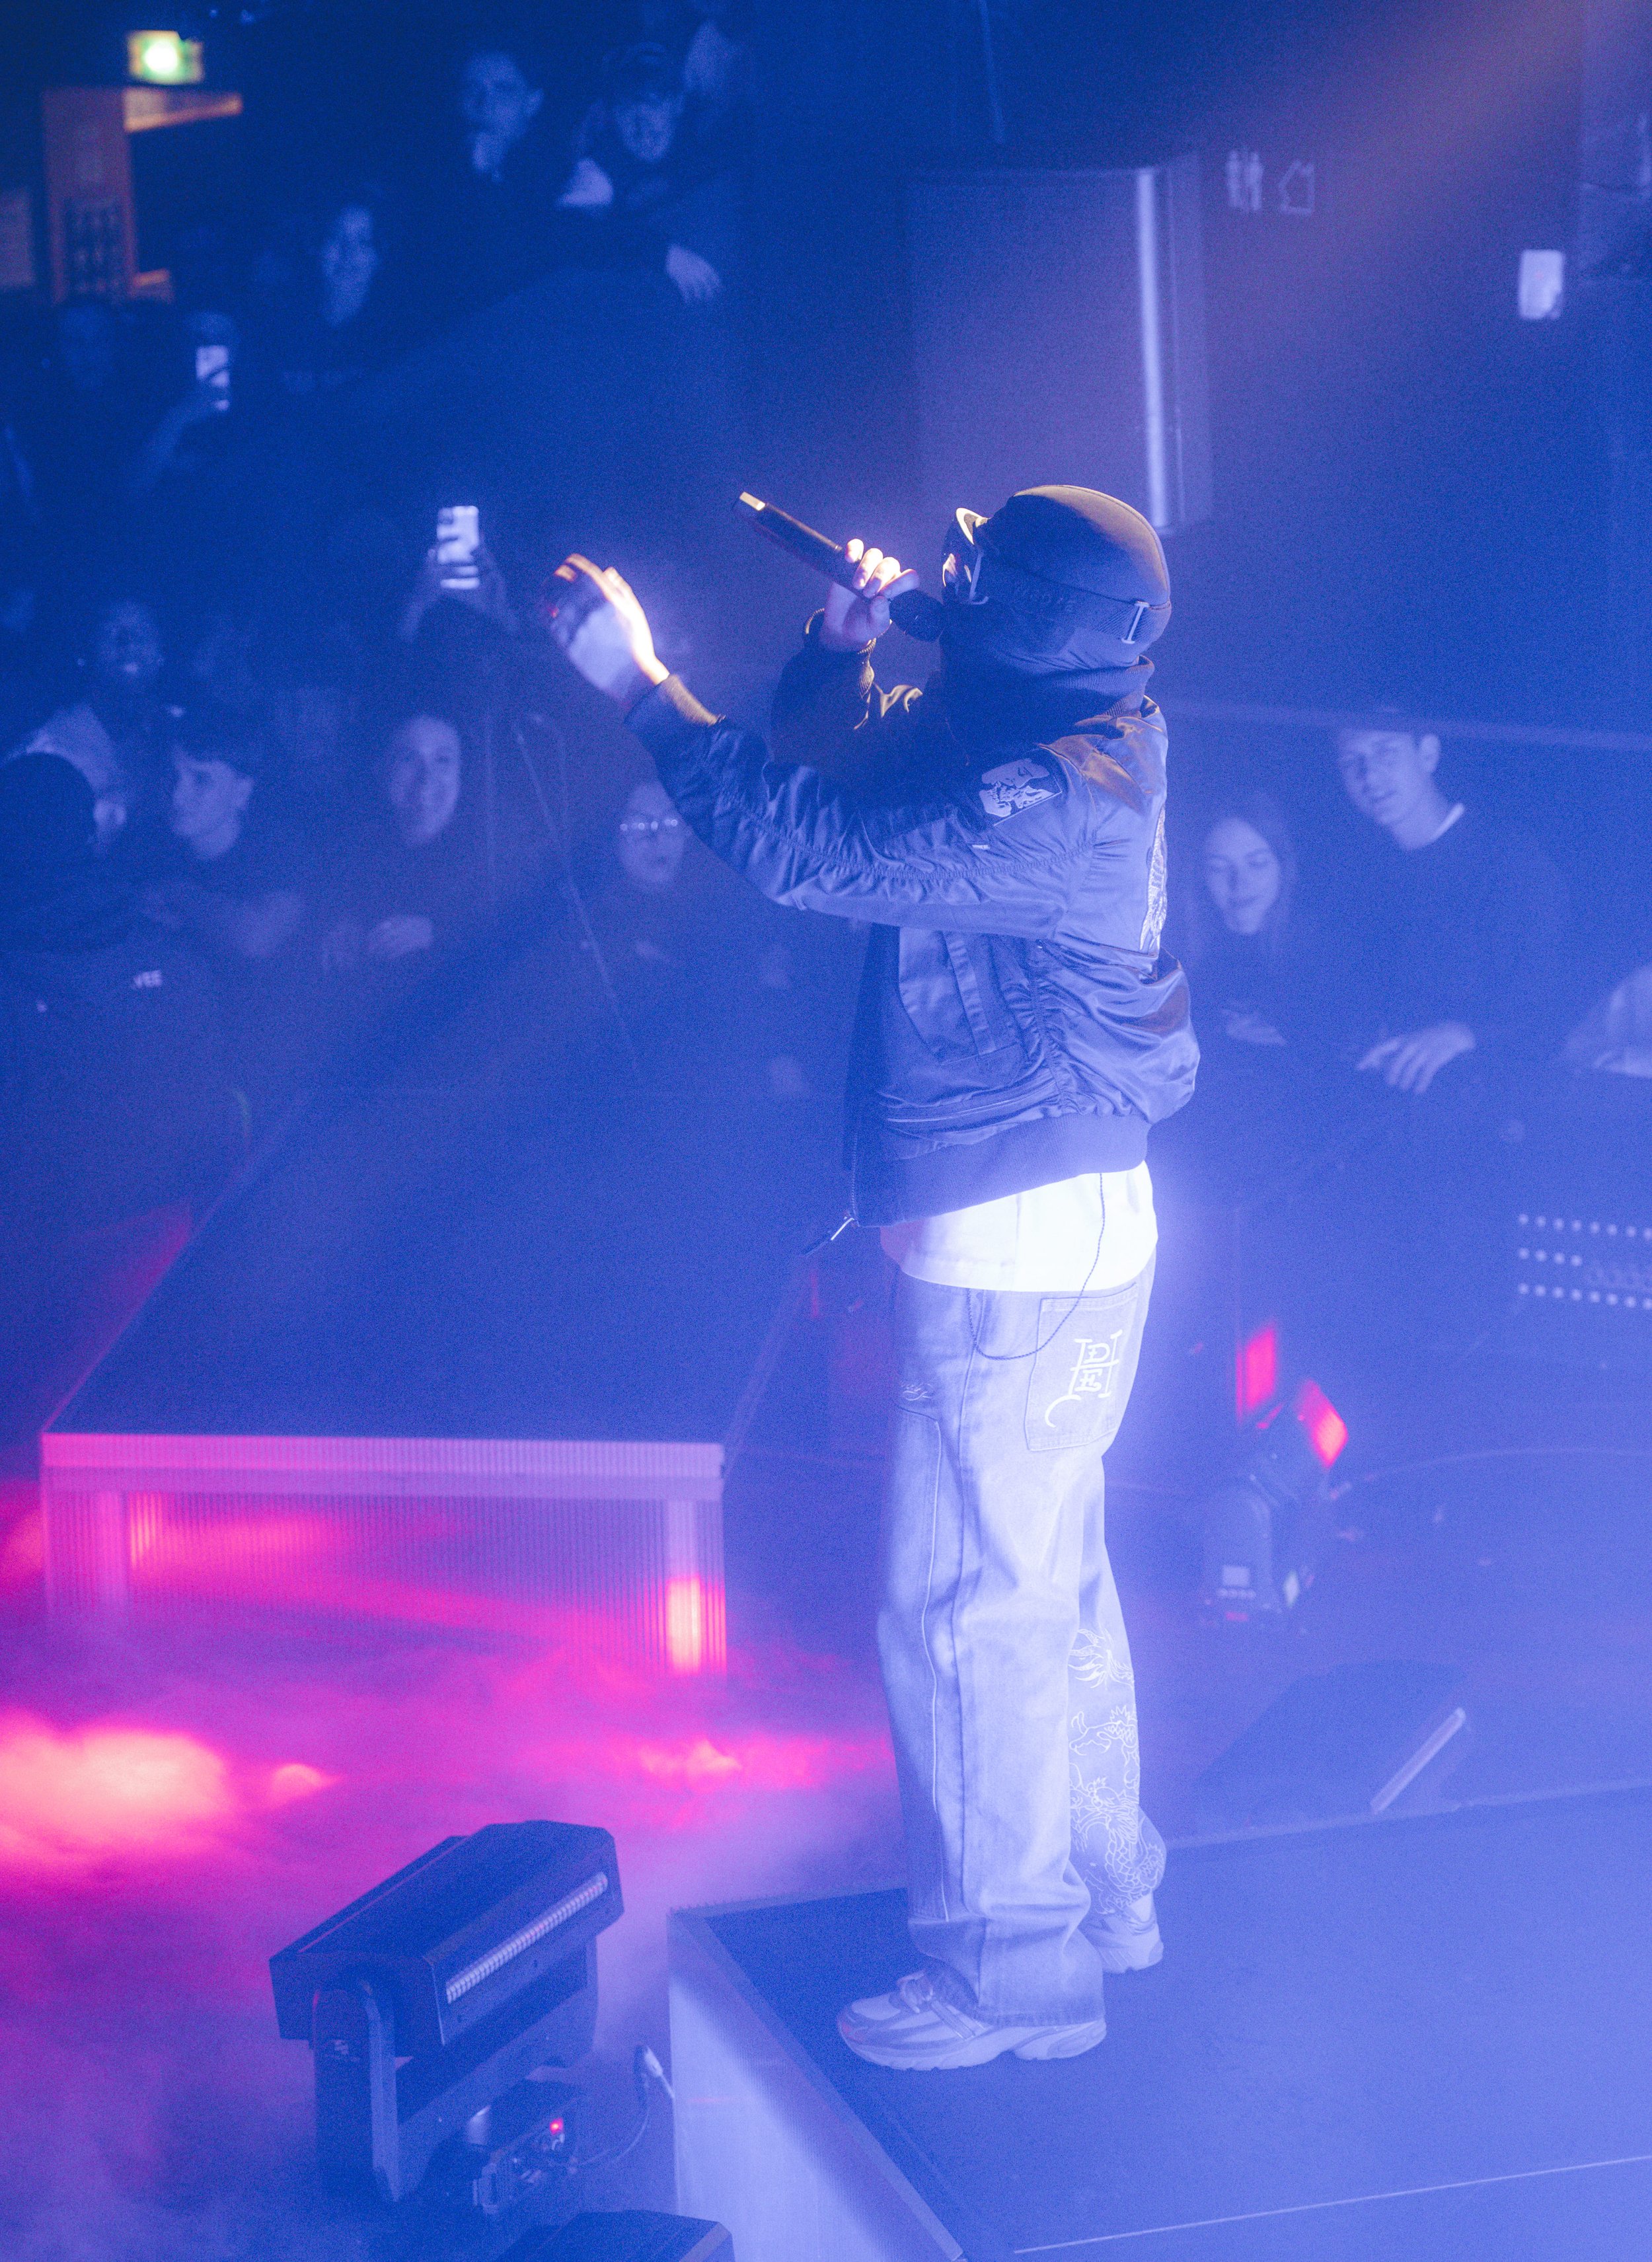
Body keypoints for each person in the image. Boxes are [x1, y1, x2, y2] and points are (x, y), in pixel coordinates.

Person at [550, 484, 1197, 2069]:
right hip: (1059, 1221)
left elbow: (810, 847)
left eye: (978, 570)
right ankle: (1105, 1889)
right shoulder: (1040, 728)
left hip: (1018, 1241)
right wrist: (840, 649)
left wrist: (641, 688)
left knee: (967, 1609)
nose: (945, 572)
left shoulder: (1060, 796)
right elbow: (854, 759)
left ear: (1031, 618)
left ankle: (1010, 1973)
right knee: (1049, 1585)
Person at [143, 706, 311, 1127]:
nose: (178, 795)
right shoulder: (146, 850)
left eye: (200, 779)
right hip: (175, 1066)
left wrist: (177, 895)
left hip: (264, 1073)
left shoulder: (280, 853)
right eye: (174, 776)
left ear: (242, 791)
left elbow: (257, 936)